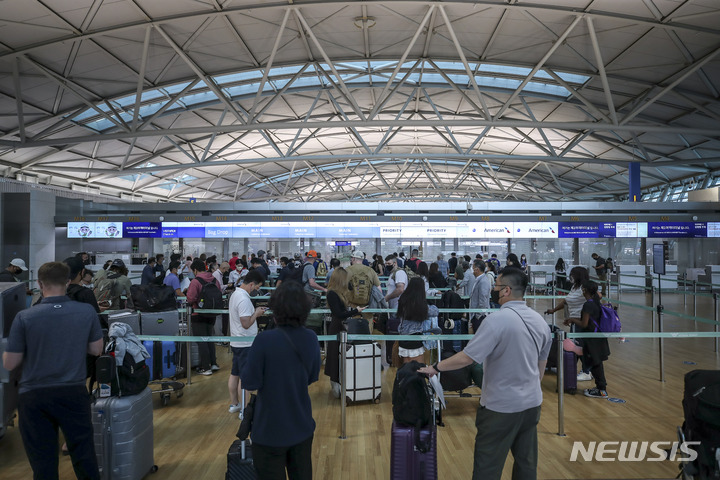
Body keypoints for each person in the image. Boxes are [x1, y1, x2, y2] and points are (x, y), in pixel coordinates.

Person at [419, 268, 551, 479]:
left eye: (496, 286)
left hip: (500, 407)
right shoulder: (541, 323)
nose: (492, 290)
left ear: (506, 290)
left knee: (487, 466)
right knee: (526, 464)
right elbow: (540, 369)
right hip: (531, 405)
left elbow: (467, 357)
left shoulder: (496, 321)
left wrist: (434, 368)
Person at [3, 261, 103, 480]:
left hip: (34, 396)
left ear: (39, 284)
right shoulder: (85, 311)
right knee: (84, 456)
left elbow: (10, 363)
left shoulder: (25, 317)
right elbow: (96, 349)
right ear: (68, 282)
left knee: (43, 463)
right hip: (73, 393)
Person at [241, 281, 320, 480]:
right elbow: (312, 377)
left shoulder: (264, 340)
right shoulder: (311, 337)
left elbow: (250, 382)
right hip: (301, 424)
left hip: (269, 428)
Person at [227, 270, 266, 417]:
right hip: (245, 343)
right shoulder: (243, 299)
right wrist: (256, 313)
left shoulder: (235, 294)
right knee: (245, 378)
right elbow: (246, 323)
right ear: (251, 284)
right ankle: (244, 409)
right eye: (256, 287)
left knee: (234, 374)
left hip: (237, 341)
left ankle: (234, 404)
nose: (256, 290)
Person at [544, 266, 593, 381]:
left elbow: (597, 297)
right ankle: (573, 369)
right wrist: (553, 310)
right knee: (575, 347)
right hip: (574, 321)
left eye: (573, 274)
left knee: (580, 347)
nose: (570, 276)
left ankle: (586, 371)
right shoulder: (575, 287)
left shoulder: (585, 288)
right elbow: (566, 301)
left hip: (582, 322)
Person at [566, 280, 611, 398]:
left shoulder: (588, 305)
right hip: (598, 337)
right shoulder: (596, 302)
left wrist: (572, 320)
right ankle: (601, 388)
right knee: (596, 363)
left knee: (595, 364)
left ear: (585, 290)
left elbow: (584, 324)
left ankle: (602, 390)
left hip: (591, 339)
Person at [324, 267, 364, 398]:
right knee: (335, 355)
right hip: (337, 327)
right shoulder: (332, 294)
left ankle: (340, 383)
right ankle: (335, 384)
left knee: (340, 355)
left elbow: (352, 289)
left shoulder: (338, 293)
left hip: (340, 326)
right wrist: (356, 311)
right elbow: (339, 314)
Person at [186, 258, 221, 376]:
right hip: (212, 314)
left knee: (202, 340)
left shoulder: (195, 282)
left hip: (198, 314)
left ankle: (205, 367)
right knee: (209, 338)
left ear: (195, 270)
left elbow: (190, 299)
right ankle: (214, 363)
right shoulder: (214, 279)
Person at [396, 277, 438, 363]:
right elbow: (435, 312)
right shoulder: (420, 304)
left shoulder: (403, 299)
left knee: (406, 367)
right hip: (415, 338)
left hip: (402, 337)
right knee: (418, 368)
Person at [384, 254, 408, 335]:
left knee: (396, 332)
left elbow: (400, 289)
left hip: (398, 308)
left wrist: (387, 298)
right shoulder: (392, 274)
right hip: (394, 307)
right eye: (386, 264)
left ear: (395, 263)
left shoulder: (399, 273)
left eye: (389, 264)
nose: (387, 266)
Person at [469, 260, 491, 327]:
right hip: (476, 314)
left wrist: (478, 315)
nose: (472, 270)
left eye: (473, 268)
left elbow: (483, 300)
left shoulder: (483, 281)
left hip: (480, 317)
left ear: (477, 269)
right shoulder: (479, 279)